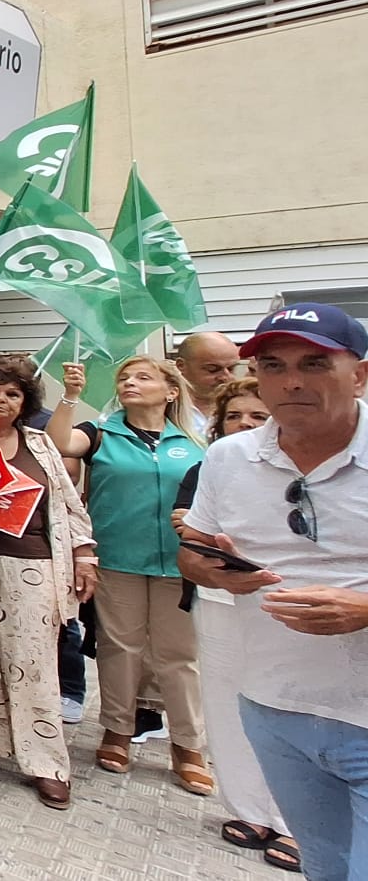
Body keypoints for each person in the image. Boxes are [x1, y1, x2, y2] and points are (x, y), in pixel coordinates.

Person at [182, 303, 368, 881]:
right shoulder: (226, 457)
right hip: (274, 706)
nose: (291, 381)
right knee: (326, 867)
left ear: (360, 374)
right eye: (273, 365)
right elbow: (193, 552)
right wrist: (214, 570)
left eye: (315, 364)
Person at [48, 355, 213, 793]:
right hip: (117, 558)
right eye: (125, 378)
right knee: (120, 648)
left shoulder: (195, 441)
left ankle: (188, 746)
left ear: (171, 391)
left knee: (179, 656)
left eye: (143, 377)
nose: (130, 383)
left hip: (180, 562)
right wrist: (71, 397)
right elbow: (56, 444)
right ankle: (116, 732)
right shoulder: (101, 432)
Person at [0, 355, 98, 810]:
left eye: (12, 394)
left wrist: (85, 553)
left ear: (24, 403)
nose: (1, 399)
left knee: (32, 663)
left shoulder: (41, 445)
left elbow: (70, 505)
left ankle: (45, 763)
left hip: (34, 565)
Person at [173, 377, 298, 872]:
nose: (245, 425)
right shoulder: (214, 466)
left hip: (291, 603)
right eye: (234, 416)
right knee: (227, 705)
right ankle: (249, 809)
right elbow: (188, 532)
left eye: (258, 416)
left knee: (289, 707)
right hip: (220, 599)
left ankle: (296, 820)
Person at [176, 331, 243, 427]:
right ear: (181, 366)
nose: (225, 377)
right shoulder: (162, 407)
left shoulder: (247, 409)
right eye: (213, 369)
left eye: (231, 369)